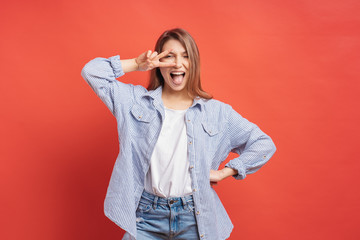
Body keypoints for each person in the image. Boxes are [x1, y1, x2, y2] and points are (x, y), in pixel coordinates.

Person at [81, 28, 276, 240]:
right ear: (158, 63)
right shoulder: (135, 102)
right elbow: (92, 71)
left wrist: (225, 172)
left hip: (194, 218)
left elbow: (263, 144)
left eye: (185, 56)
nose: (177, 63)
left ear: (194, 63)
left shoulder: (217, 112)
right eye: (169, 56)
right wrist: (137, 64)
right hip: (146, 217)